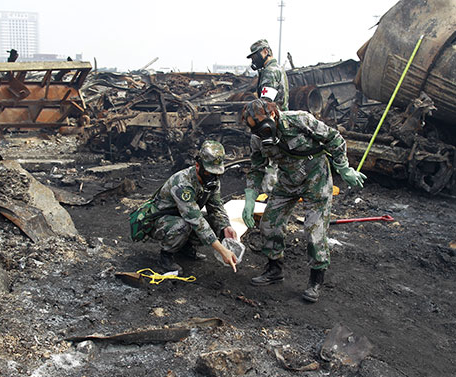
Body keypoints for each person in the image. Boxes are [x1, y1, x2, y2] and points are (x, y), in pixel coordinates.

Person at [241, 98, 366, 302]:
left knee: (314, 231)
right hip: (287, 181)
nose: (261, 134)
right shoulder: (257, 140)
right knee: (269, 224)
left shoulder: (300, 120)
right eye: (255, 131)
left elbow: (333, 138)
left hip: (315, 178)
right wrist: (249, 198)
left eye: (263, 127)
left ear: (273, 114)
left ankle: (315, 281)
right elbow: (256, 168)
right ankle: (274, 270)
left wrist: (344, 167)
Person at [146, 140, 238, 274]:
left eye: (216, 173)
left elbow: (216, 207)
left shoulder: (212, 181)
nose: (213, 177)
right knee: (183, 225)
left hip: (182, 216)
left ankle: (185, 247)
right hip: (160, 221)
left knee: (213, 222)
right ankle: (166, 256)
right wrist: (222, 250)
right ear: (197, 166)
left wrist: (226, 226)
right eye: (208, 172)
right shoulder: (182, 184)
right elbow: (195, 219)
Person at [247, 39, 290, 111]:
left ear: (265, 52)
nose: (254, 61)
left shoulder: (269, 71)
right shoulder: (278, 68)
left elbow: (266, 103)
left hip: (273, 118)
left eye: (255, 57)